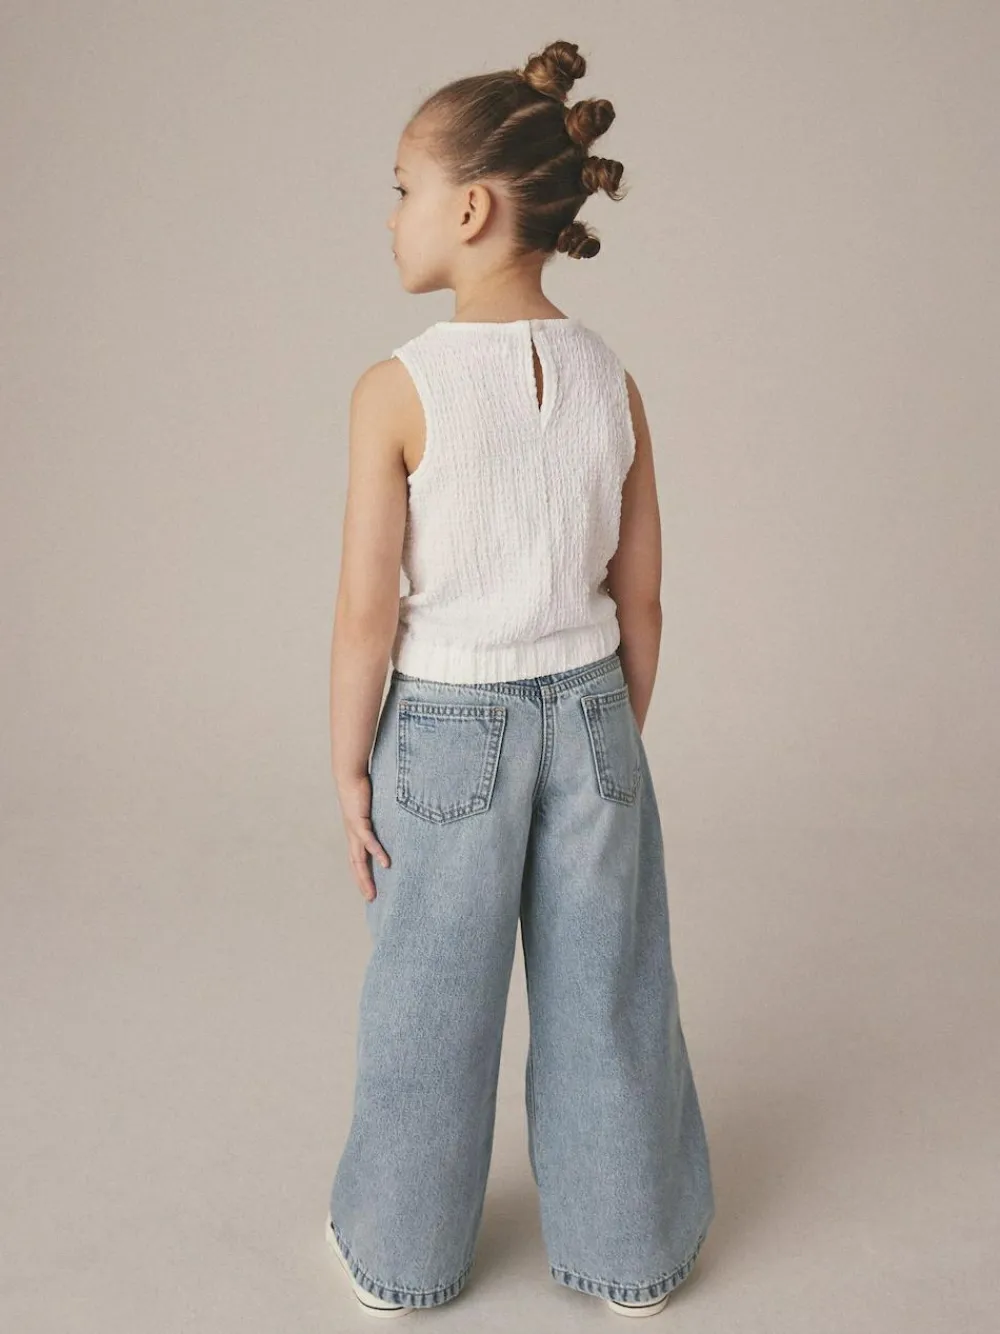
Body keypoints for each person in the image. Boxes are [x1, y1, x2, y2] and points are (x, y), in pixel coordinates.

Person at [325, 38, 715, 1319]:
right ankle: (633, 1254)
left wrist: (347, 765)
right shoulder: (613, 379)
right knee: (611, 996)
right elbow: (641, 596)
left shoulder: (397, 389)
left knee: (428, 1003)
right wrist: (611, 734)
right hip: (594, 711)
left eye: (402, 189)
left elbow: (367, 615)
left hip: (446, 731)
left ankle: (404, 1258)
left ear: (471, 208)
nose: (391, 213)